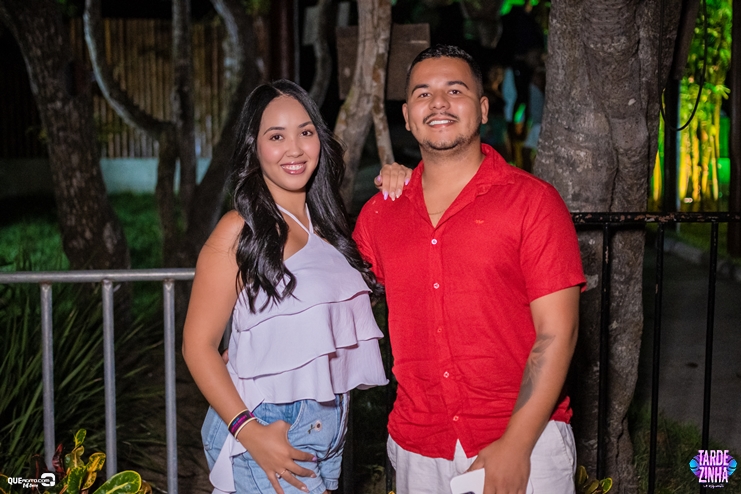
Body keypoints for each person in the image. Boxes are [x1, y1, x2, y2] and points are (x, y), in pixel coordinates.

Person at [355, 45, 585, 494]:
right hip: (419, 445)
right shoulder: (380, 215)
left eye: (455, 90)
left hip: (524, 441)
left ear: (482, 109)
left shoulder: (532, 202)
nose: (438, 103)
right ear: (407, 116)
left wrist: (516, 445)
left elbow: (558, 333)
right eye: (423, 94)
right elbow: (330, 292)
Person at [182, 80, 388, 494]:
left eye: (305, 132)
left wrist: (403, 178)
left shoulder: (328, 227)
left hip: (328, 424)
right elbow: (197, 345)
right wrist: (250, 432)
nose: (294, 148)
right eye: (276, 136)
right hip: (266, 425)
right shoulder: (239, 230)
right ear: (254, 147)